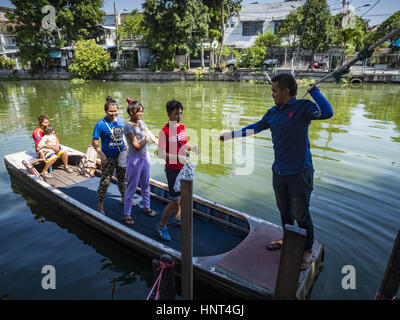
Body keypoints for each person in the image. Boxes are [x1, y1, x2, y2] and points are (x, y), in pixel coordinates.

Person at [219, 74, 333, 271]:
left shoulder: (303, 108)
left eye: (274, 90)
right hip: (279, 172)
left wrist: (315, 92)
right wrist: (232, 135)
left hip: (300, 173)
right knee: (284, 210)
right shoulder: (273, 113)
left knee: (301, 214)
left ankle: (306, 250)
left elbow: (327, 112)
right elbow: (256, 127)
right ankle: (288, 240)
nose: (272, 94)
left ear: (286, 91)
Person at [157, 100, 199, 241]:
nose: (179, 117)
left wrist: (191, 147)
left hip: (184, 167)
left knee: (182, 197)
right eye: (176, 114)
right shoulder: (164, 132)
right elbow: (161, 154)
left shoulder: (182, 127)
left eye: (180, 113)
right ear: (169, 114)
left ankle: (177, 217)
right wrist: (177, 156)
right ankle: (162, 225)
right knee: (174, 201)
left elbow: (184, 143)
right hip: (173, 170)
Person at [123, 98, 159, 225]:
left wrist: (162, 145)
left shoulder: (142, 123)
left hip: (145, 157)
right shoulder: (127, 126)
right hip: (134, 159)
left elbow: (152, 136)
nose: (140, 114)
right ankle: (127, 214)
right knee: (132, 187)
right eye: (138, 112)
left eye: (141, 112)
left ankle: (147, 207)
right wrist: (146, 140)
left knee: (145, 184)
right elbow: (136, 145)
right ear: (131, 112)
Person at [92, 96, 127, 216]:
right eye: (110, 111)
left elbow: (123, 137)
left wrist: (127, 149)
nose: (113, 113)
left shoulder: (121, 121)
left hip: (121, 155)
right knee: (105, 181)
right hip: (108, 157)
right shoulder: (100, 124)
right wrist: (101, 154)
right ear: (106, 111)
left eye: (115, 110)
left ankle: (124, 199)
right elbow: (94, 142)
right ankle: (100, 206)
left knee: (122, 179)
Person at [32, 114, 73, 178]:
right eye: (45, 123)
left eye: (48, 122)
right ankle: (44, 172)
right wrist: (53, 147)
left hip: (53, 147)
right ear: (40, 123)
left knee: (64, 153)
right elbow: (41, 144)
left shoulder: (49, 129)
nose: (47, 124)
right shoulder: (36, 132)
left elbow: (56, 138)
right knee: (53, 158)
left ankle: (66, 166)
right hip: (42, 150)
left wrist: (57, 145)